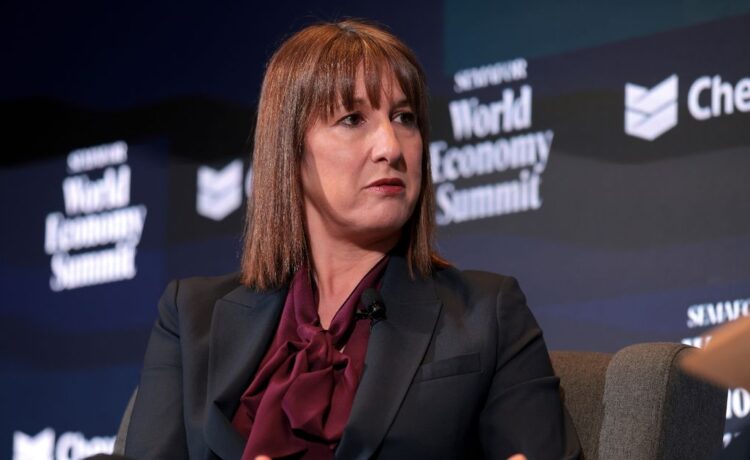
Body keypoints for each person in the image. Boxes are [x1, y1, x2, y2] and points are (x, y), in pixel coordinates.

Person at [124, 19, 581, 460]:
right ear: (290, 151)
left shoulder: (487, 314)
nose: (391, 147)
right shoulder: (191, 316)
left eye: (404, 118)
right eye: (352, 119)